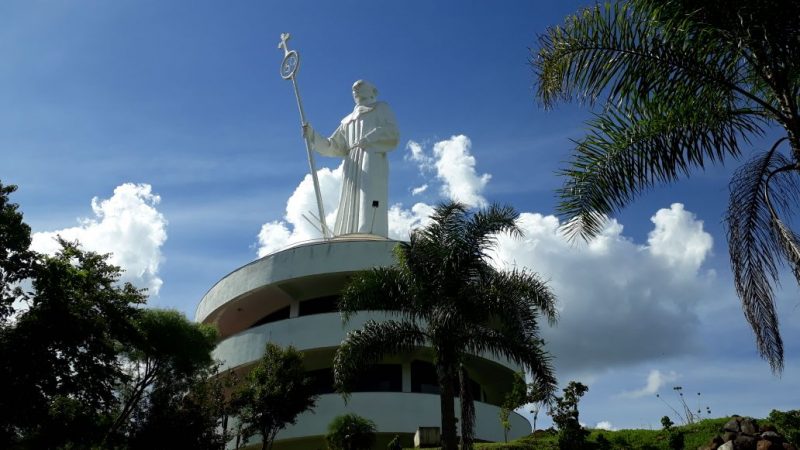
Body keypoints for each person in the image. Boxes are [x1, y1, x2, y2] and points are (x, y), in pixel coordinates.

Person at [303, 80, 399, 237]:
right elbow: (332, 145)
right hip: (351, 161)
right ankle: (349, 233)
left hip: (371, 155)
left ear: (372, 91)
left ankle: (370, 232)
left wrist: (368, 139)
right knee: (350, 197)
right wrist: (312, 135)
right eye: (354, 88)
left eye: (360, 85)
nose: (356, 88)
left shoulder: (380, 108)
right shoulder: (347, 121)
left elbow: (392, 131)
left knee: (370, 194)